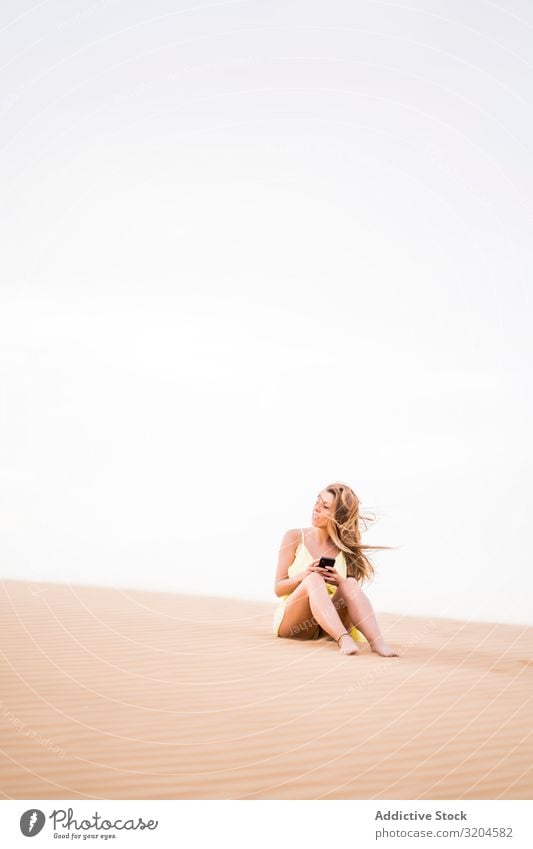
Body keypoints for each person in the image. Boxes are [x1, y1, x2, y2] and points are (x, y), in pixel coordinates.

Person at [272, 482, 399, 656]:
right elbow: (278, 589)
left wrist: (339, 581)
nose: (316, 508)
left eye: (324, 506)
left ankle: (377, 643)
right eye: (317, 501)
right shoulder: (294, 536)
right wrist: (304, 575)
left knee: (350, 583)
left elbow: (351, 596)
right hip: (296, 623)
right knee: (313, 579)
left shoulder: (346, 548)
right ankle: (343, 638)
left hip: (328, 625)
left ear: (338, 517)